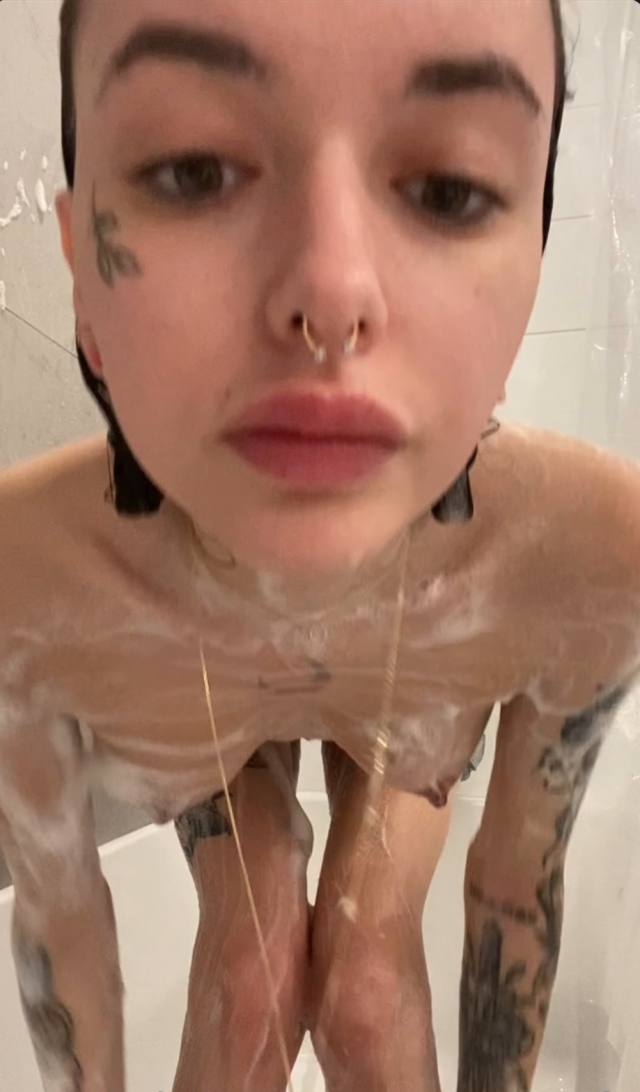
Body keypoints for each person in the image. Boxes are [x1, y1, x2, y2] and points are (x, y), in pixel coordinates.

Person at [1, 0, 639, 1090]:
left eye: (449, 189)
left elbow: (513, 893)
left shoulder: (580, 559)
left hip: (411, 700)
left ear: (531, 266)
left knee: (365, 990)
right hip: (214, 709)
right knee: (250, 978)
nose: (331, 296)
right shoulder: (29, 579)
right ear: (80, 269)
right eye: (194, 171)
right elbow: (62, 932)